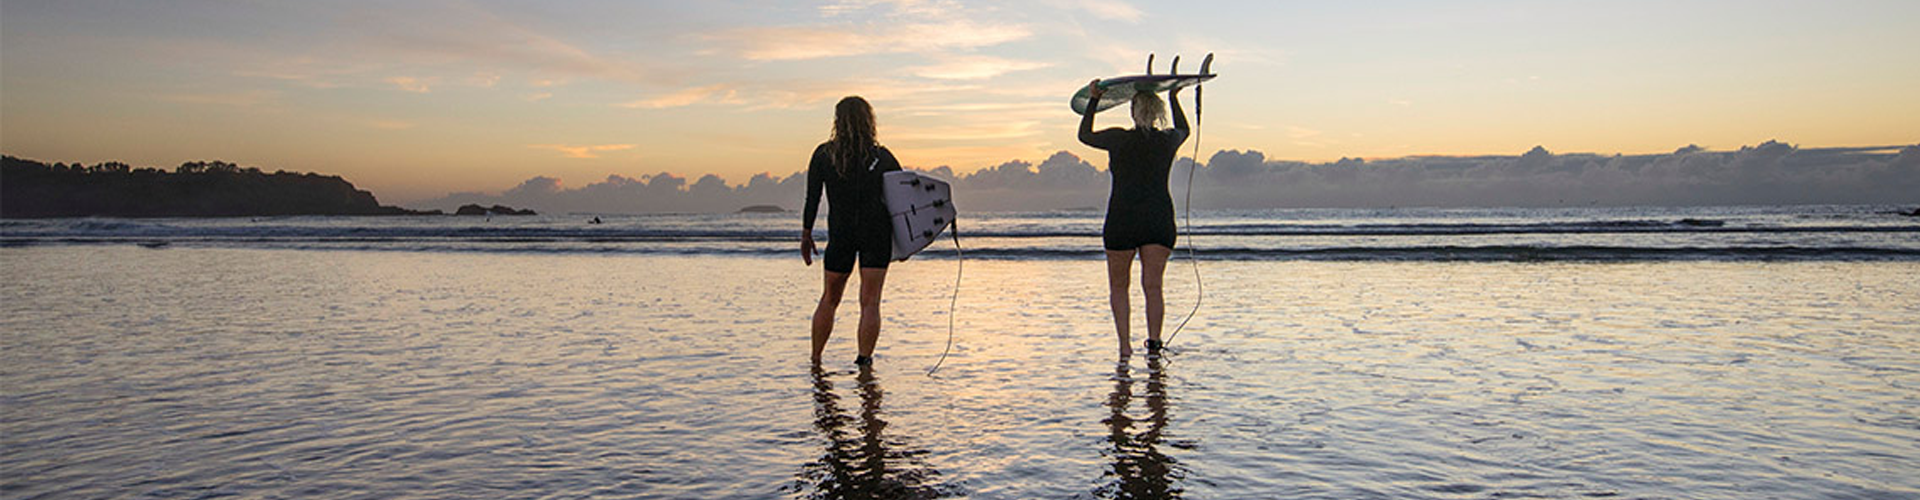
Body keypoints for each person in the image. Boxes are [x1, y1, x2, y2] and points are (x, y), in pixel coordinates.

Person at [1079, 80, 1189, 358]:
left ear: (1132, 111)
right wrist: (1175, 97)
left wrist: (1094, 100)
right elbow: (1185, 129)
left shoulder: (1118, 138)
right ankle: (1154, 344)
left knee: (1119, 286)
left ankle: (1125, 347)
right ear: (1157, 113)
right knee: (1153, 286)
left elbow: (1085, 135)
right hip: (1158, 218)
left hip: (1122, 218)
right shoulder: (1167, 141)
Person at [802, 96, 903, 366]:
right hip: (876, 234)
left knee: (830, 298)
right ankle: (864, 360)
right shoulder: (882, 157)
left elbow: (812, 198)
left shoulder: (824, 154)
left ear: (838, 121)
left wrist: (806, 233)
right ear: (869, 121)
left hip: (841, 234)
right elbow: (903, 201)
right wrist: (906, 241)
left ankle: (816, 359)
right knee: (870, 302)